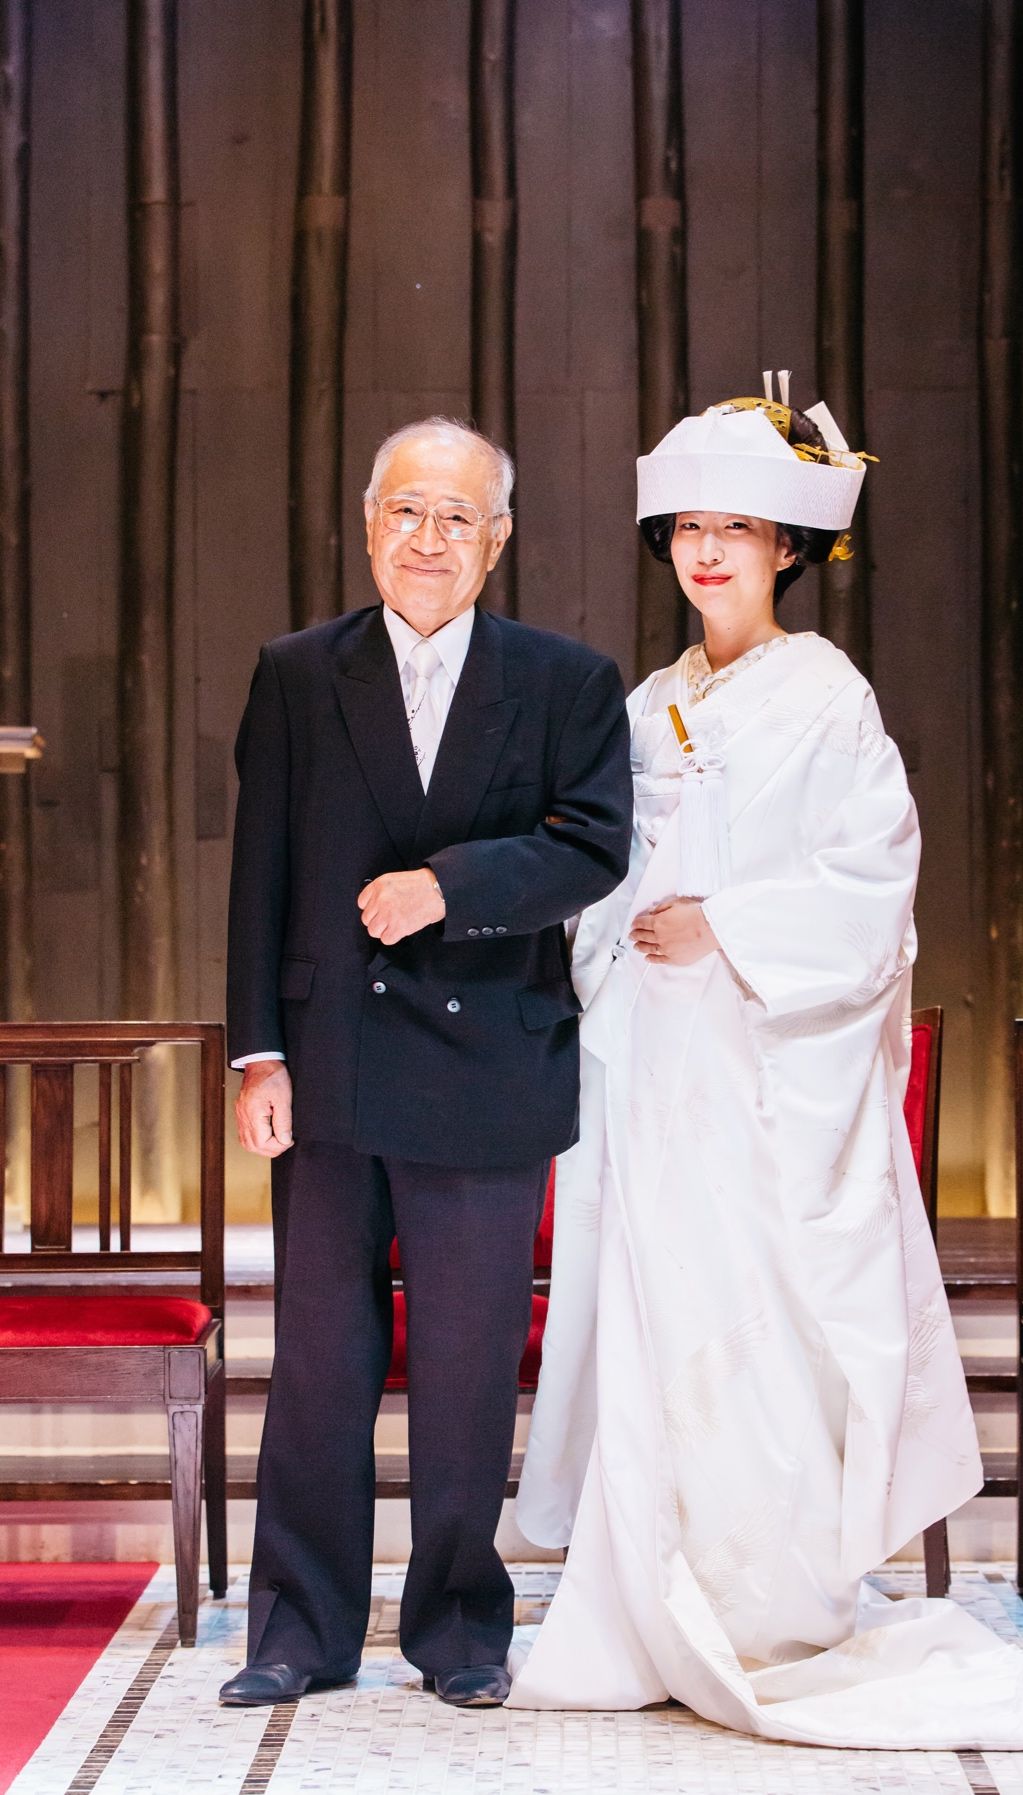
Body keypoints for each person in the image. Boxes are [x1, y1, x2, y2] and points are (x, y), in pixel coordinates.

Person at [508, 389, 1023, 1748]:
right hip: (653, 1053)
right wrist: (610, 932)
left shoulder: (826, 695)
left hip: (760, 1062)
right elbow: (601, 861)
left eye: (737, 529)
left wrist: (725, 926)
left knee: (757, 1308)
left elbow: (872, 878)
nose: (707, 552)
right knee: (656, 1303)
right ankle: (645, 1601)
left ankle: (764, 1606)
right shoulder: (646, 702)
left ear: (787, 549)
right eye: (689, 527)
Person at [219, 417, 633, 1710]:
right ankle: (298, 1631)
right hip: (330, 1065)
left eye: (458, 517)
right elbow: (258, 874)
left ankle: (459, 1631)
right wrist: (258, 1056)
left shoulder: (565, 680)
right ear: (367, 524)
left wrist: (449, 887)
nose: (428, 538)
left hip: (487, 1067)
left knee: (464, 1367)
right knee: (318, 1364)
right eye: (407, 510)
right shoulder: (298, 673)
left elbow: (593, 846)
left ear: (496, 540)